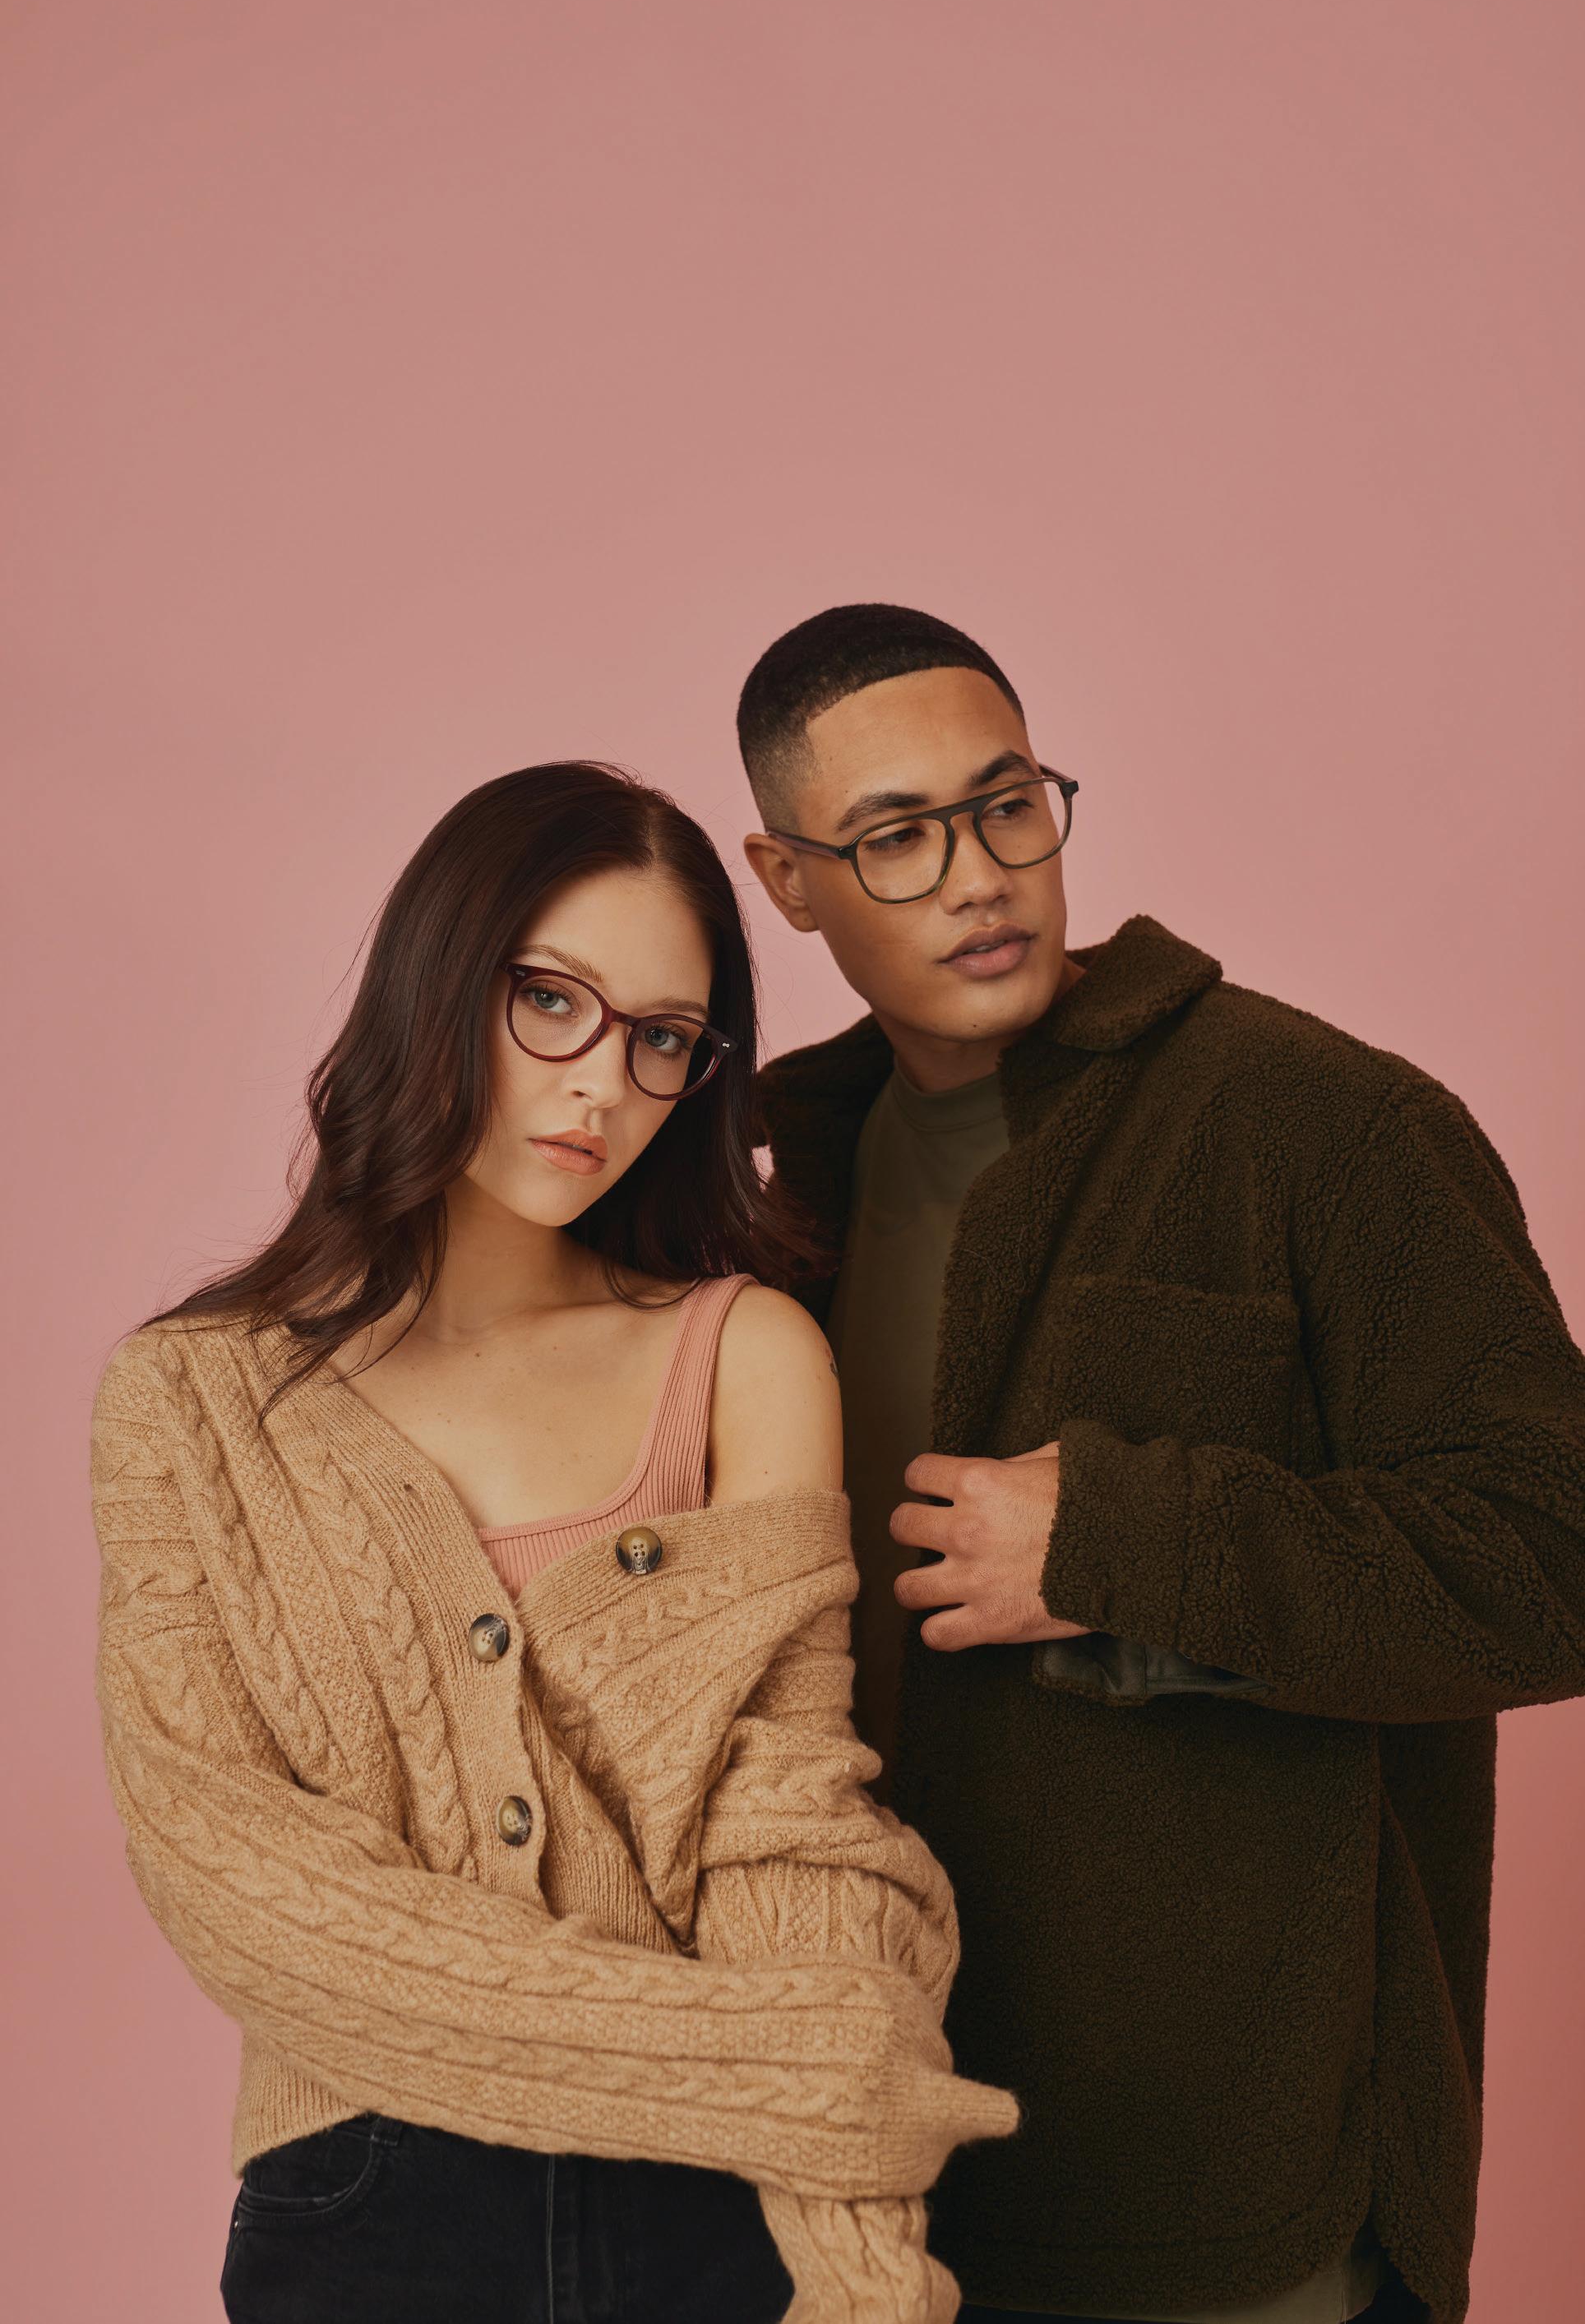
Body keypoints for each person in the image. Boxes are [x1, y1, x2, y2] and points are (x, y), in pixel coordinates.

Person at [740, 603, 1585, 2324]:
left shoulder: (1320, 1123)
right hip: (868, 2179)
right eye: (897, 838)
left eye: (1007, 805)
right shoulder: (767, 1173)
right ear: (788, 880)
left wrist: (1125, 1540)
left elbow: (1553, 1549)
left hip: (1244, 2199)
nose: (980, 876)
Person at [89, 759, 1016, 2324]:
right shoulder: (189, 1401)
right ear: (439, 978)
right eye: (550, 1001)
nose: (603, 1086)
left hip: (717, 2215)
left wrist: (861, 2276)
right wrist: (786, 2069)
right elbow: (237, 1875)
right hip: (371, 2203)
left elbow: (786, 1821)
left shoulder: (743, 1353)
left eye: (662, 1038)